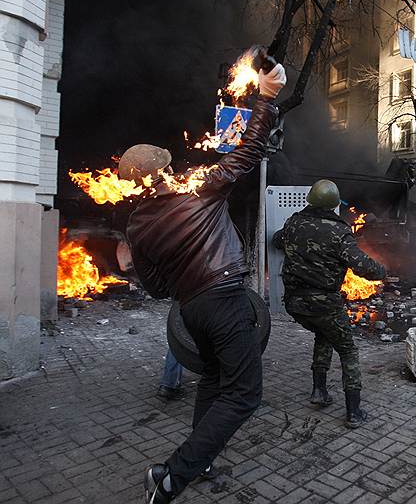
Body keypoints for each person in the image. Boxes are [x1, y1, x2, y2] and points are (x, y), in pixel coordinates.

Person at [121, 61, 286, 504]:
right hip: (226, 303)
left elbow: (156, 289)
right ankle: (171, 476)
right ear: (162, 171)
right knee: (245, 394)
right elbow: (249, 152)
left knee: (213, 379)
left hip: (190, 311)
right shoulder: (196, 189)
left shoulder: (137, 227)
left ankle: (202, 457)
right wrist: (265, 98)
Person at [272, 179, 386, 428]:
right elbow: (364, 267)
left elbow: (277, 241)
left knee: (324, 335)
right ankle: (354, 412)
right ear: (334, 205)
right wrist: (382, 270)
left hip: (295, 303)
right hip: (325, 305)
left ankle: (319, 391)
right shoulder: (339, 232)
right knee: (348, 350)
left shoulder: (293, 222)